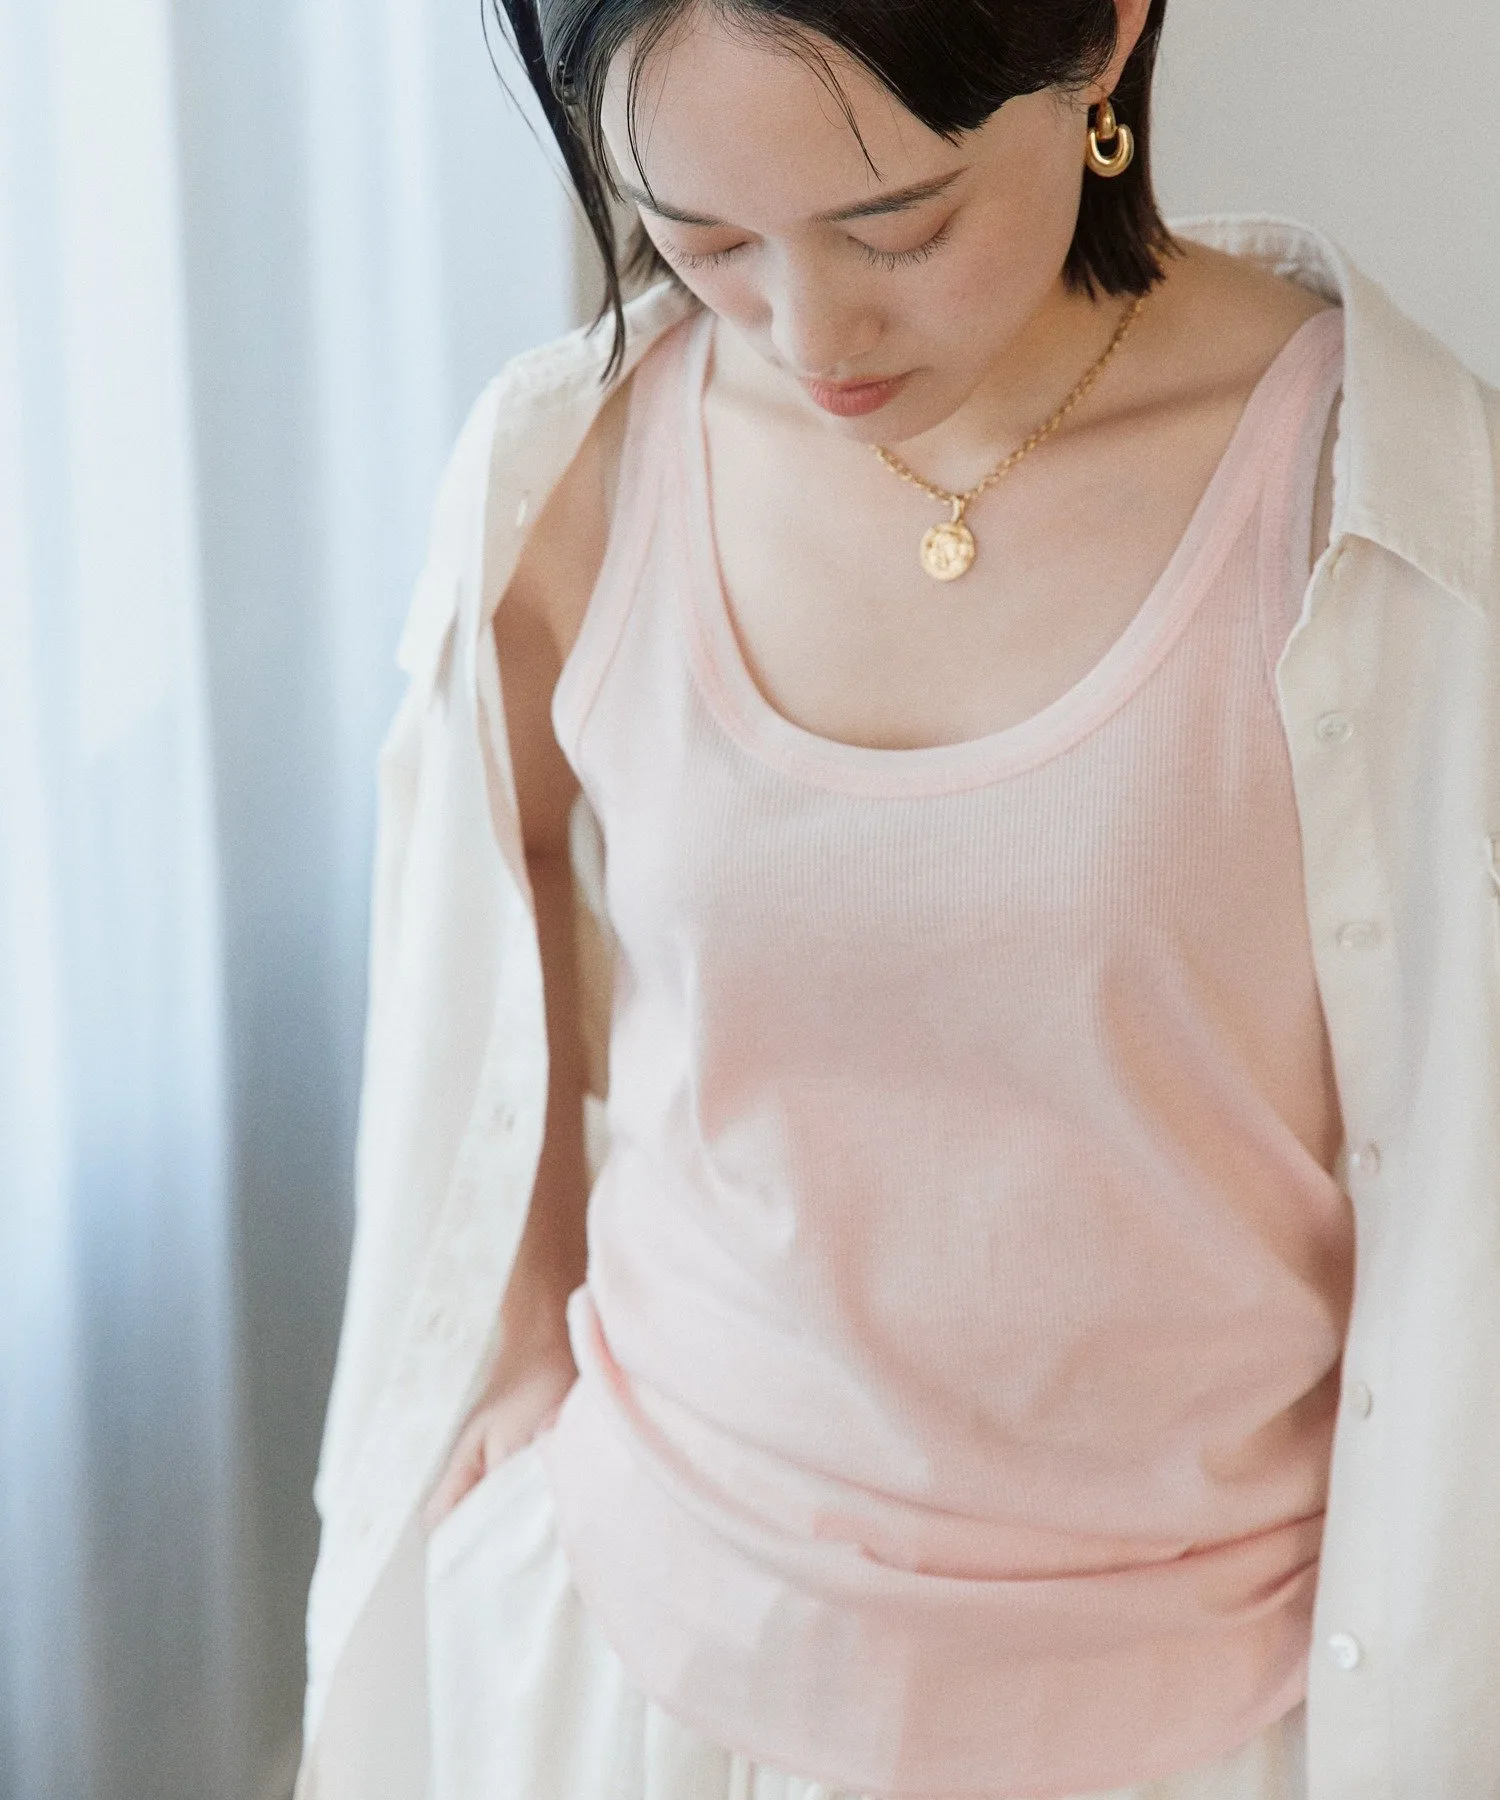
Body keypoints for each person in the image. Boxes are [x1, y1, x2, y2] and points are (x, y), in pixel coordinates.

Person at [293, 4, 1500, 1799]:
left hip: (1197, 1702)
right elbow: (504, 851)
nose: (809, 333)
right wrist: (528, 1321)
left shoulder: (1382, 513)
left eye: (898, 227)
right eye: (701, 237)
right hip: (649, 1649)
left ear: (1106, 36)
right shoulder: (578, 471)